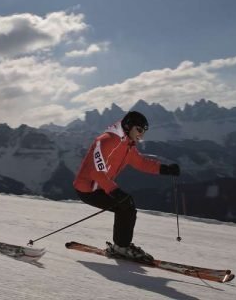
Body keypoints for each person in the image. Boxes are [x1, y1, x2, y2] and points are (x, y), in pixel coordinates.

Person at [73, 111, 180, 261]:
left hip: (100, 187)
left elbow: (141, 163)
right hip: (87, 188)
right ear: (129, 126)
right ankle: (121, 247)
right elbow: (96, 172)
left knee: (126, 206)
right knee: (126, 205)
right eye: (140, 130)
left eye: (144, 132)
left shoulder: (127, 145)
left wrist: (165, 169)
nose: (142, 135)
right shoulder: (107, 140)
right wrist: (115, 191)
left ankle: (120, 246)